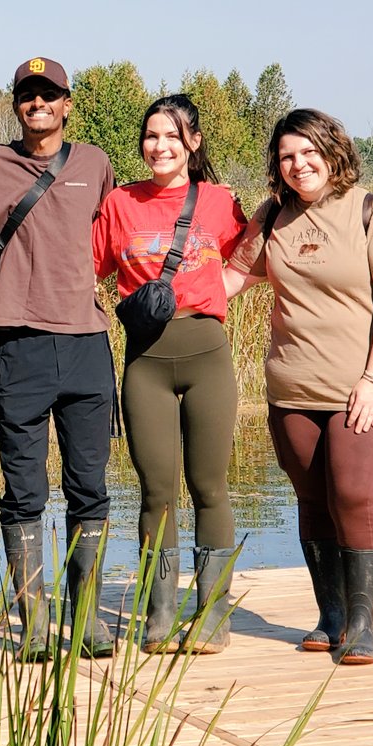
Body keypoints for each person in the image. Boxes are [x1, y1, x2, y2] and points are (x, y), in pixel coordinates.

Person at [224, 109, 373, 665]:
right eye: (287, 156)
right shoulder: (272, 217)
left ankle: (361, 622)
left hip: (365, 384)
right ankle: (330, 615)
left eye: (308, 152)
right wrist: (163, 294)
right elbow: (232, 279)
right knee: (311, 498)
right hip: (292, 386)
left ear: (333, 152)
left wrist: (372, 379)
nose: (298, 164)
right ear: (277, 167)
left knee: (353, 494)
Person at [0, 58, 117, 661]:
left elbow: (115, 234)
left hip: (87, 344)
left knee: (90, 489)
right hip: (18, 345)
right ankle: (33, 624)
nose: (39, 105)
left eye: (49, 95)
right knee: (23, 490)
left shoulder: (95, 163)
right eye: (28, 96)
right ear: (16, 104)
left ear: (67, 102)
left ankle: (87, 622)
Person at [93, 95, 246, 654]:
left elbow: (256, 258)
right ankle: (159, 614)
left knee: (209, 486)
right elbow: (86, 269)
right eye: (151, 136)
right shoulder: (119, 203)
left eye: (172, 137)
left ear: (193, 143)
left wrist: (218, 293)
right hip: (146, 363)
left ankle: (210, 617)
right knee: (156, 491)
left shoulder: (221, 202)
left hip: (207, 355)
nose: (160, 147)